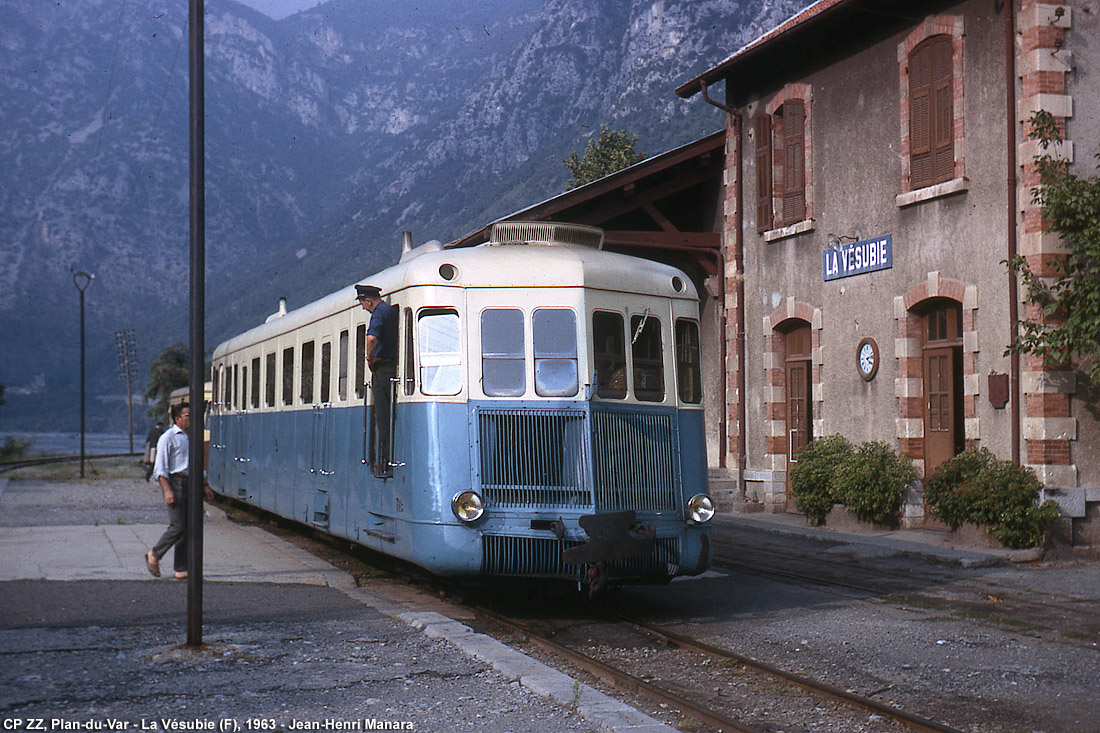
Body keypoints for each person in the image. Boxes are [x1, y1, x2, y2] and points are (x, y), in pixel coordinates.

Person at [145, 402, 213, 579]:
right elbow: (160, 469)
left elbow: (197, 463)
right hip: (176, 482)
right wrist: (167, 490)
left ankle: (181, 568)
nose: (191, 419)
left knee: (189, 526)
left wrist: (204, 484)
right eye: (188, 416)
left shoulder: (193, 437)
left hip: (193, 483)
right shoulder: (168, 437)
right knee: (178, 526)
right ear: (177, 419)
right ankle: (154, 554)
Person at [356, 284, 398, 477]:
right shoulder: (389, 311)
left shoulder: (378, 313)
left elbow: (372, 338)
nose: (363, 308)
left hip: (383, 368)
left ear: (368, 300)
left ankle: (386, 461)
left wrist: (369, 358)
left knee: (382, 416)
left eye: (363, 304)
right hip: (392, 365)